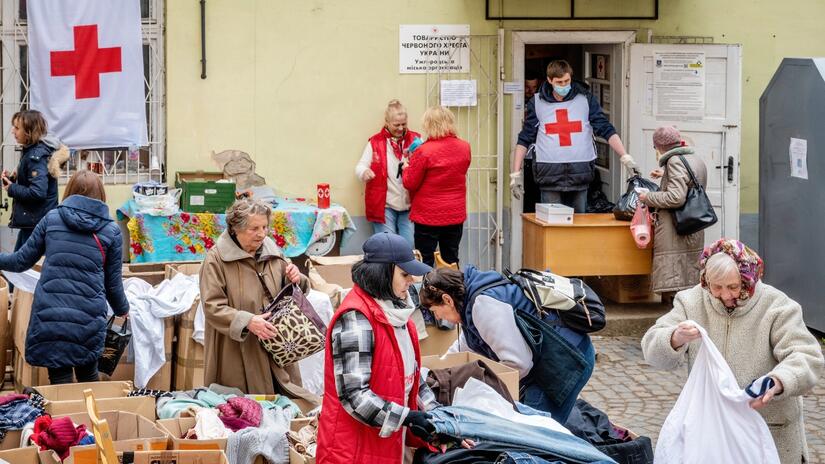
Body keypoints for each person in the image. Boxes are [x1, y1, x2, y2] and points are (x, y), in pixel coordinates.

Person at [641, 239, 824, 464]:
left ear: (749, 280)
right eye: (716, 287)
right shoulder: (691, 302)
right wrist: (675, 337)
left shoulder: (777, 306)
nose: (725, 295)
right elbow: (652, 348)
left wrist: (778, 381)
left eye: (733, 287)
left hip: (769, 432)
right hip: (713, 436)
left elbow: (807, 356)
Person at [317, 232, 472, 464]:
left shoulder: (400, 317)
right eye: (405, 274)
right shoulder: (355, 319)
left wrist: (440, 422)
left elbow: (412, 379)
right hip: (352, 450)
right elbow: (354, 396)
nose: (411, 281)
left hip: (386, 444)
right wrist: (408, 417)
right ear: (382, 273)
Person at [418, 265, 596, 424]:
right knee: (532, 421)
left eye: (435, 311)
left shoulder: (483, 306)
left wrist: (481, 386)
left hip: (568, 359)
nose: (438, 318)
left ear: (448, 300)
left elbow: (519, 363)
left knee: (535, 431)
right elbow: (463, 347)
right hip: (552, 358)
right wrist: (434, 373)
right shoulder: (468, 302)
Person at [0, 170, 129, 384]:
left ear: (69, 192)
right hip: (88, 319)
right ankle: (89, 417)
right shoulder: (111, 231)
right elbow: (113, 284)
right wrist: (122, 310)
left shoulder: (52, 219)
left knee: (60, 381)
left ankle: (64, 417)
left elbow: (20, 261)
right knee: (88, 377)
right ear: (101, 196)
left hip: (51, 317)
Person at [199, 198, 317, 400]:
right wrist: (248, 321)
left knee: (286, 404)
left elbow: (294, 289)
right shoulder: (216, 259)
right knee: (243, 408)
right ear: (236, 228)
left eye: (264, 227)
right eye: (254, 228)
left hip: (277, 346)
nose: (262, 233)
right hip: (238, 350)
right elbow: (212, 306)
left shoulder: (271, 249)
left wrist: (297, 278)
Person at [510, 60, 635, 213]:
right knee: (553, 227)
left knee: (578, 226)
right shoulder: (536, 103)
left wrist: (625, 157)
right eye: (559, 82)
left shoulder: (586, 99)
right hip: (549, 174)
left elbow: (605, 128)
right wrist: (515, 173)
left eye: (567, 81)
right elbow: (525, 138)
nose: (564, 85)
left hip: (580, 173)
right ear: (549, 80)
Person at [638, 126, 708, 304]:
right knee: (688, 271)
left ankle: (673, 313)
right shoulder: (694, 158)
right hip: (693, 224)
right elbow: (691, 181)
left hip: (675, 226)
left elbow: (676, 197)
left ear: (659, 146)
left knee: (675, 276)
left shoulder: (674, 161)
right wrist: (665, 176)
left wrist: (648, 197)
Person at [402, 106, 471, 267]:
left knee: (424, 260)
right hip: (454, 213)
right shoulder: (465, 147)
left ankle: (426, 291)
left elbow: (410, 183)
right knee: (451, 257)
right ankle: (453, 290)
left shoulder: (424, 151)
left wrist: (406, 167)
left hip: (427, 215)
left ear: (429, 125)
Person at [355, 100, 420, 247]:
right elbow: (360, 166)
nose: (400, 128)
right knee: (388, 247)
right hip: (384, 205)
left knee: (408, 247)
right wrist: (365, 172)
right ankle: (389, 271)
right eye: (396, 124)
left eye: (403, 124)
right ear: (387, 122)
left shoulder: (416, 140)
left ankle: (405, 271)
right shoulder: (375, 142)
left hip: (410, 204)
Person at [3, 110, 66, 251]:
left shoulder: (35, 156)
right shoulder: (33, 152)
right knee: (18, 265)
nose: (13, 131)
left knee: (20, 266)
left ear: (29, 132)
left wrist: (12, 188)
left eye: (17, 128)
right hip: (34, 222)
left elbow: (38, 192)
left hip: (35, 224)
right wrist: (13, 180)